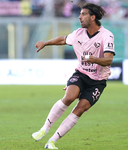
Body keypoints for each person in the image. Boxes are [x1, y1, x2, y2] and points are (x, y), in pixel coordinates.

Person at [32, 2, 115, 149]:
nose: (79, 17)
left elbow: (108, 60)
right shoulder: (78, 34)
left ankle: (52, 141)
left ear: (93, 17)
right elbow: (62, 40)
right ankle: (44, 129)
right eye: (80, 14)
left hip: (98, 81)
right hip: (81, 74)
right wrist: (45, 43)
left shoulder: (106, 36)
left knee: (80, 109)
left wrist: (92, 59)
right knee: (69, 97)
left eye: (83, 14)